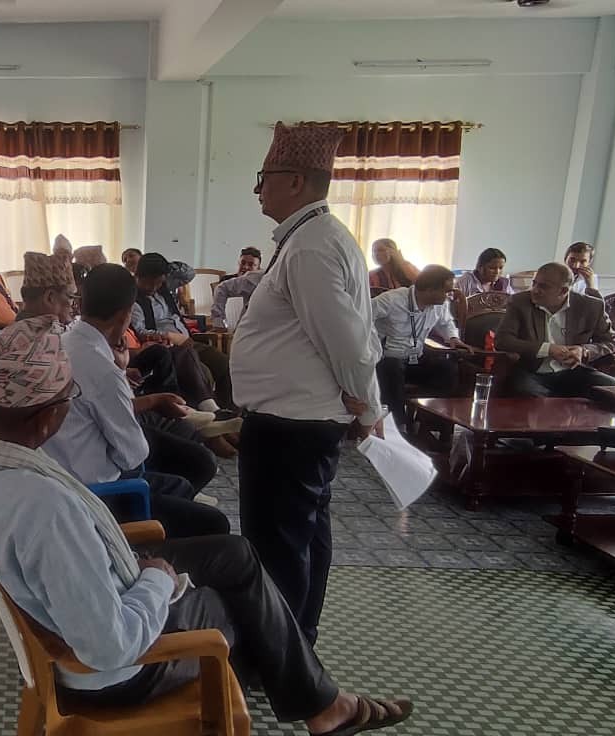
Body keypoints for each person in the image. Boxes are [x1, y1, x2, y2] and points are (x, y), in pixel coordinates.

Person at [0, 316, 413, 735]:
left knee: (235, 554)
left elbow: (65, 558)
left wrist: (138, 572)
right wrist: (157, 582)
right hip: (115, 675)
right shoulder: (44, 509)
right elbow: (108, 648)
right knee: (245, 609)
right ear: (49, 416)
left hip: (87, 586)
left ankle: (317, 700)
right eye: (69, 398)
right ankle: (322, 707)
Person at [231, 123, 382, 645]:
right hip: (295, 422)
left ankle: (279, 656)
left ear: (295, 181)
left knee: (278, 547)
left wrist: (368, 411)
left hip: (291, 427)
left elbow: (350, 344)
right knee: (303, 537)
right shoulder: (312, 237)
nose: (258, 188)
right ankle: (297, 644)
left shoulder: (311, 247)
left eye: (265, 177)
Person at [45, 263, 230, 538]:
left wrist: (122, 371)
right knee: (213, 519)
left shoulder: (66, 341)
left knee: (193, 464)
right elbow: (132, 455)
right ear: (126, 314)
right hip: (96, 493)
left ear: (81, 303)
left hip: (63, 470)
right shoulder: (101, 368)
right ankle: (148, 547)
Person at [495, 262, 615, 397]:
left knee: (609, 385)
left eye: (543, 286)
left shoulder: (591, 306)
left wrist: (583, 351)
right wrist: (548, 349)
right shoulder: (520, 302)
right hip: (532, 371)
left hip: (573, 371)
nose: (535, 290)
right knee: (528, 392)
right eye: (534, 283)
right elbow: (502, 340)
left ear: (563, 291)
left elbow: (610, 342)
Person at [134, 253, 234, 412]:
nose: (153, 288)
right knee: (203, 371)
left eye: (158, 282)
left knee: (224, 363)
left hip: (189, 341)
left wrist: (166, 266)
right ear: (138, 277)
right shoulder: (135, 300)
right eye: (149, 283)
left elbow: (188, 273)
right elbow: (141, 331)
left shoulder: (164, 289)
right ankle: (212, 410)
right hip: (170, 346)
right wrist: (169, 336)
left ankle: (228, 409)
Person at [372, 266, 468, 419]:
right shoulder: (391, 300)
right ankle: (397, 423)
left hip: (415, 358)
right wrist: (372, 344)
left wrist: (453, 338)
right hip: (386, 360)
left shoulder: (441, 305)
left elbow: (446, 323)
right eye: (446, 291)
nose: (449, 296)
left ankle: (429, 419)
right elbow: (362, 318)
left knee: (447, 369)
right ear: (430, 290)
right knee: (392, 367)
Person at [211, 248, 264, 330]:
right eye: (243, 263)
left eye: (251, 265)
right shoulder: (225, 281)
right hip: (227, 325)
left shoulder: (260, 284)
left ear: (258, 269)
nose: (245, 267)